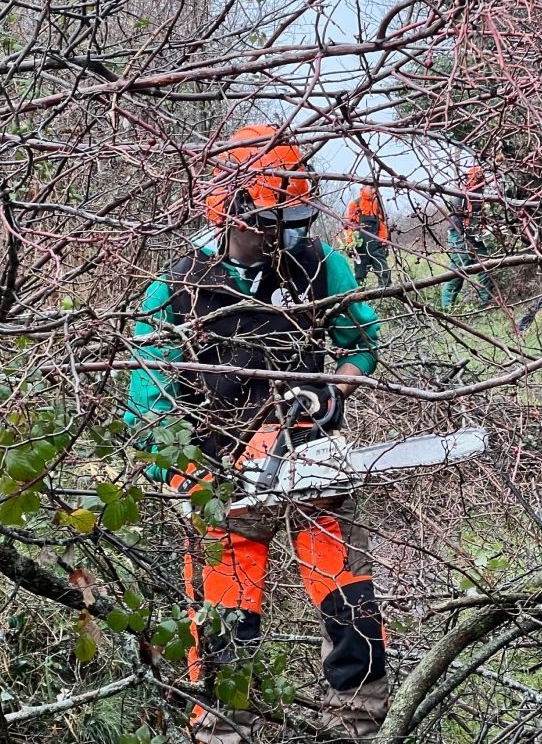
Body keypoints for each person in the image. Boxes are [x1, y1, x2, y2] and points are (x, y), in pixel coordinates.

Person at [124, 124, 388, 742]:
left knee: (348, 601)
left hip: (310, 460)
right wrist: (172, 459)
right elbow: (148, 391)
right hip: (220, 471)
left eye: (296, 219)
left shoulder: (322, 265)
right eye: (277, 220)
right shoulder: (179, 283)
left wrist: (327, 392)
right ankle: (221, 730)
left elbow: (361, 346)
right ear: (234, 210)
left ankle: (360, 722)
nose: (289, 233)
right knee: (223, 621)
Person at [440, 166, 493, 309]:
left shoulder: (480, 195)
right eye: (479, 177)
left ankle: (485, 302)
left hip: (475, 237)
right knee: (458, 273)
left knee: (486, 267)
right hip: (459, 237)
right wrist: (463, 236)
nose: (482, 180)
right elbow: (456, 220)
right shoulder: (461, 196)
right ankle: (446, 308)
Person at [343, 183, 392, 288]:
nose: (374, 191)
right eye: (371, 187)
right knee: (359, 278)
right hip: (360, 248)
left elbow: (382, 226)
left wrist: (384, 243)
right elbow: (349, 227)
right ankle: (358, 299)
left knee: (385, 275)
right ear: (364, 188)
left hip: (376, 246)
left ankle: (386, 296)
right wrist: (350, 245)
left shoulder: (378, 205)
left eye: (375, 188)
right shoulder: (355, 205)